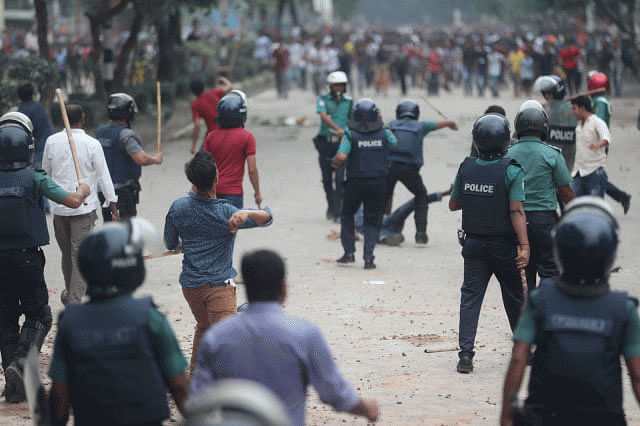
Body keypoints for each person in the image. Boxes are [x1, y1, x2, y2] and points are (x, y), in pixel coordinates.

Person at [189, 249, 379, 426]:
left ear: (246, 286)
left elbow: (198, 400)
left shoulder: (216, 337)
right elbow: (333, 392)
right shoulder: (304, 334)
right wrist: (366, 409)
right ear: (283, 287)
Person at [500, 197, 640, 426]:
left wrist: (506, 418)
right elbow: (637, 376)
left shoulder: (539, 300)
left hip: (544, 416)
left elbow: (518, 357)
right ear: (610, 254)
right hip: (603, 417)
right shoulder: (623, 309)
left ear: (560, 252)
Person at [48, 219, 190, 425]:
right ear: (132, 267)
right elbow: (179, 386)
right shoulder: (150, 317)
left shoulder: (70, 322)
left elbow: (60, 395)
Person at [0, 112, 89, 403]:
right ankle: (22, 363)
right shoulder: (34, 178)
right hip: (27, 257)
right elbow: (74, 201)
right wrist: (83, 188)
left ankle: (13, 388)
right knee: (39, 315)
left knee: (6, 319)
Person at [164, 151, 273, 373]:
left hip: (191, 286)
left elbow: (169, 242)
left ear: (192, 180)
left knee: (204, 329)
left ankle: (195, 384)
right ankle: (227, 394)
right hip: (218, 288)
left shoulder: (178, 208)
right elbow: (267, 219)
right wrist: (248, 214)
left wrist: (182, 244)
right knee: (228, 344)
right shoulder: (227, 212)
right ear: (216, 178)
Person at [449, 113, 529, 374]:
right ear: (507, 141)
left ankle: (465, 356)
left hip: (473, 245)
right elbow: (517, 211)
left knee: (470, 298)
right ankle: (523, 351)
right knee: (515, 297)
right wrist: (525, 246)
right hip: (504, 246)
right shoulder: (512, 170)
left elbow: (454, 204)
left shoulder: (466, 167)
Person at [43, 105, 118, 305]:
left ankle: (71, 296)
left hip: (60, 207)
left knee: (69, 255)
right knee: (76, 256)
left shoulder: (51, 142)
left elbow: (45, 175)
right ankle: (74, 302)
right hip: (82, 211)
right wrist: (112, 203)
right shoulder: (91, 143)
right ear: (83, 119)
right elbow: (104, 175)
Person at [507, 100, 575, 289]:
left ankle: (528, 313)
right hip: (545, 221)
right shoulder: (552, 154)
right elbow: (566, 191)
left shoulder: (508, 154)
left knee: (523, 271)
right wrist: (578, 210)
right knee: (550, 270)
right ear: (544, 127)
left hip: (516, 220)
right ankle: (546, 310)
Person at [332, 98, 396, 269]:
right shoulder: (384, 133)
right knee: (371, 220)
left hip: (356, 183)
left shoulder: (350, 134)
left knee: (347, 215)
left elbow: (342, 156)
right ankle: (369, 258)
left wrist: (335, 162)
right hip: (378, 183)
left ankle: (349, 253)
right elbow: (394, 143)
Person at [386, 100, 458, 244]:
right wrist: (451, 123)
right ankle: (420, 233)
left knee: (385, 196)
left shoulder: (391, 125)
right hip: (409, 169)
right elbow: (442, 124)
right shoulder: (421, 126)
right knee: (421, 196)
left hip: (389, 167)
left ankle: (382, 225)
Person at [96, 93, 162, 221]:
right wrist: (155, 159)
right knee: (124, 230)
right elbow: (140, 159)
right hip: (121, 193)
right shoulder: (126, 135)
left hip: (103, 190)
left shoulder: (101, 132)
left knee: (109, 227)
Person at [203, 90, 260, 209]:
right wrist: (257, 192)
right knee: (231, 226)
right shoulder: (247, 137)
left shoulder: (211, 136)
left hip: (211, 192)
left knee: (213, 226)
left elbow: (202, 165)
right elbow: (252, 170)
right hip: (233, 194)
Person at [588, 71, 632, 213]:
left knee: (594, 175)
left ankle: (614, 199)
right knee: (594, 175)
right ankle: (621, 197)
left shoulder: (600, 102)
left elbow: (596, 122)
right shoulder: (600, 100)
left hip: (598, 143)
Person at [314, 71, 353, 222]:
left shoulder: (349, 101)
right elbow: (323, 115)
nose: (339, 88)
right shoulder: (322, 99)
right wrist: (337, 128)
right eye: (336, 85)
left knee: (339, 178)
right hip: (325, 142)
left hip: (341, 143)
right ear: (330, 86)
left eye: (341, 85)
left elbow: (351, 118)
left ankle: (338, 210)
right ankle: (331, 206)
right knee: (326, 179)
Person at [17, 82, 54, 212]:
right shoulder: (37, 106)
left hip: (38, 147)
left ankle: (44, 205)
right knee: (42, 175)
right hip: (46, 143)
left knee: (38, 176)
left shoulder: (21, 111)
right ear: (33, 94)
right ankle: (44, 204)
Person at [535, 75, 577, 171]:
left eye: (549, 94)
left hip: (565, 151)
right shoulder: (550, 108)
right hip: (551, 151)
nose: (546, 97)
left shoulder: (566, 109)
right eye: (545, 94)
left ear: (558, 93)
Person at [571, 95, 610, 198]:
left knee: (594, 206)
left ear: (582, 108)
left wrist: (599, 144)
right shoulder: (579, 127)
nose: (573, 112)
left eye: (574, 108)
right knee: (573, 202)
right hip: (579, 172)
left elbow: (606, 138)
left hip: (595, 172)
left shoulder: (597, 122)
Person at [190, 76, 232, 154]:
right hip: (227, 131)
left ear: (192, 92)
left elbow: (197, 125)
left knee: (201, 160)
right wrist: (224, 79)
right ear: (204, 87)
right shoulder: (215, 93)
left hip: (213, 135)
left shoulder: (195, 105)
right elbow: (229, 86)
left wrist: (193, 145)